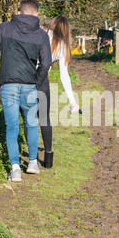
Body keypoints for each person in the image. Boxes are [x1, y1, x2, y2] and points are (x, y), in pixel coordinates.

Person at [0, 0, 52, 182]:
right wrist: (37, 81)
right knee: (31, 123)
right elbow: (46, 62)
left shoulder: (4, 28)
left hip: (7, 84)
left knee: (12, 127)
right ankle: (32, 162)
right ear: (36, 13)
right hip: (30, 85)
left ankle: (15, 168)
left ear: (19, 12)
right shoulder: (41, 35)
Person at [37, 16, 80, 169]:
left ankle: (31, 159)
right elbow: (64, 75)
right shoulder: (62, 45)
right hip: (41, 81)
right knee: (44, 118)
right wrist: (72, 101)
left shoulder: (39, 30)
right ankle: (48, 159)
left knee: (28, 118)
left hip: (25, 76)